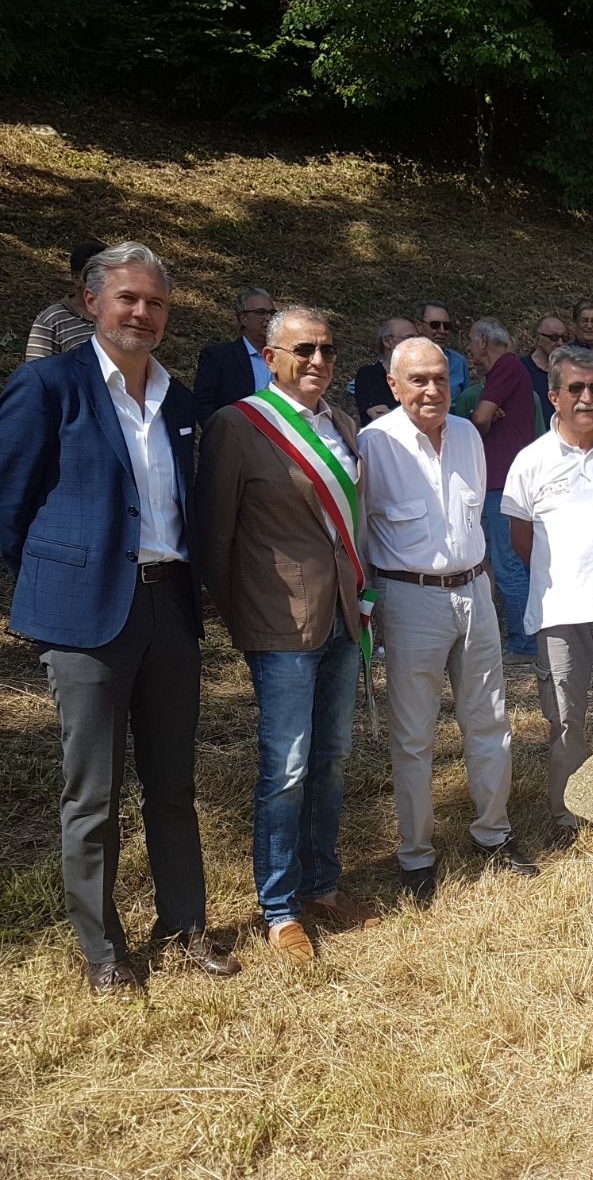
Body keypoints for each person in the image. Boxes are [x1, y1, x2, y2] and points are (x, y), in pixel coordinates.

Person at [0, 242, 238, 996]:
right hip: (86, 618)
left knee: (172, 782)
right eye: (128, 298)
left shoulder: (181, 401)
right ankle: (103, 952)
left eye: (156, 302)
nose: (143, 313)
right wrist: (52, 585)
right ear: (90, 302)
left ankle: (185, 925)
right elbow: (7, 505)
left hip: (169, 606)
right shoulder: (47, 386)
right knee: (92, 792)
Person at [197, 305, 380, 962]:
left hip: (340, 614)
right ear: (270, 356)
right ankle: (279, 908)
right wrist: (239, 616)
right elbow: (214, 536)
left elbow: (351, 527)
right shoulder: (238, 426)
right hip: (278, 624)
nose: (318, 362)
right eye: (303, 349)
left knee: (330, 761)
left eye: (328, 350)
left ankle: (322, 886)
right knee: (287, 768)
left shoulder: (343, 424)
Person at [359, 337, 539, 901]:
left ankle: (494, 833)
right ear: (394, 386)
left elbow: (473, 521)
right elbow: (361, 533)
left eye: (440, 378)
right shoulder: (374, 443)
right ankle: (416, 856)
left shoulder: (466, 434)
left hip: (475, 591)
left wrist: (483, 582)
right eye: (418, 380)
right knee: (413, 738)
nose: (432, 389)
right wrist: (374, 611)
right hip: (410, 599)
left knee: (489, 720)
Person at [500, 346, 593, 841]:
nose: (587, 398)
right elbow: (523, 541)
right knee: (564, 718)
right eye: (576, 389)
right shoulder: (530, 461)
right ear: (554, 396)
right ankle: (567, 814)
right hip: (558, 609)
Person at [468, 317, 546, 661]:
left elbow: (481, 419)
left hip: (504, 480)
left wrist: (475, 421)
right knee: (513, 559)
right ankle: (529, 636)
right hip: (509, 478)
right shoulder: (509, 371)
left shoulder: (506, 367)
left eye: (471, 342)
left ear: (485, 341)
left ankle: (525, 642)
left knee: (508, 563)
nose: (469, 350)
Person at [193, 288, 277, 425]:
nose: (269, 318)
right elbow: (203, 405)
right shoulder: (219, 357)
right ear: (243, 319)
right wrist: (225, 435)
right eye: (261, 313)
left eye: (272, 313)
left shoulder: (285, 356)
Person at [25, 240, 104, 362]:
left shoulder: (120, 314)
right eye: (95, 276)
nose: (103, 282)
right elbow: (36, 374)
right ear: (76, 278)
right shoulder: (52, 319)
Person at [352, 317, 417, 427]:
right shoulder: (369, 376)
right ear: (387, 342)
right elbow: (382, 419)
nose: (417, 344)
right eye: (410, 339)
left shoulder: (422, 378)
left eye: (418, 339)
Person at [415, 299, 472, 398]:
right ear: (419, 326)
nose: (442, 331)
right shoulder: (404, 361)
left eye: (446, 326)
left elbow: (465, 403)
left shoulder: (458, 362)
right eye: (435, 325)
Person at [522, 315, 569, 427]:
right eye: (554, 337)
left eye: (564, 338)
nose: (560, 343)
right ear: (538, 339)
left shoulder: (570, 370)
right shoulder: (521, 370)